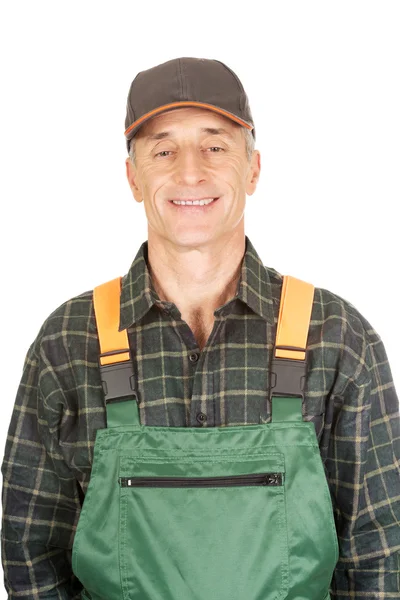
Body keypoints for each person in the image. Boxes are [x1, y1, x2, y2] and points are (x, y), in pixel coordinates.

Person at [1, 56, 399, 599]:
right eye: (163, 150)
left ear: (253, 169)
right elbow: (31, 555)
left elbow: (379, 556)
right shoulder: (69, 341)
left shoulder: (334, 336)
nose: (190, 171)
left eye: (215, 146)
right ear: (133, 177)